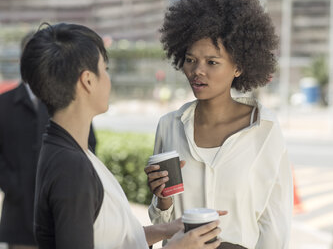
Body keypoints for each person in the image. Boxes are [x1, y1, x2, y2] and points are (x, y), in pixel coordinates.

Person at [20, 23, 223, 249]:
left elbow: (108, 238)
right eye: (104, 69)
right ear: (87, 80)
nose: (109, 78)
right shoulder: (71, 166)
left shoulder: (70, 151)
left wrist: (166, 229)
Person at [145, 0, 293, 248]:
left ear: (238, 67)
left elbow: (274, 223)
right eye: (191, 60)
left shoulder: (264, 129)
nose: (197, 71)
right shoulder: (169, 126)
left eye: (212, 62)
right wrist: (163, 198)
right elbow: (162, 222)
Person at [0, 32, 97, 249]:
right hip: (19, 216)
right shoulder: (3, 104)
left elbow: (90, 145)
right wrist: (11, 184)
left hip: (62, 213)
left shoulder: (69, 101)